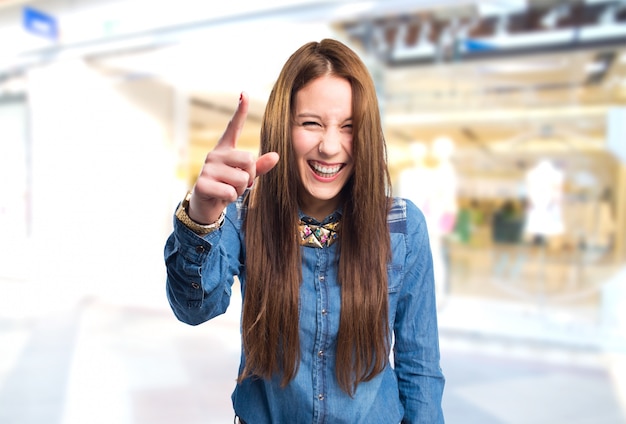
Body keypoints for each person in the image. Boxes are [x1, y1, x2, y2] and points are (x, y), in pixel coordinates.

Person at [164, 38, 445, 424]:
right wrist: (202, 218)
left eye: (349, 127)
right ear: (284, 126)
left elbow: (420, 367)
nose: (330, 146)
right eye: (311, 123)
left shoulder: (401, 227)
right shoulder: (245, 216)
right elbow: (194, 308)